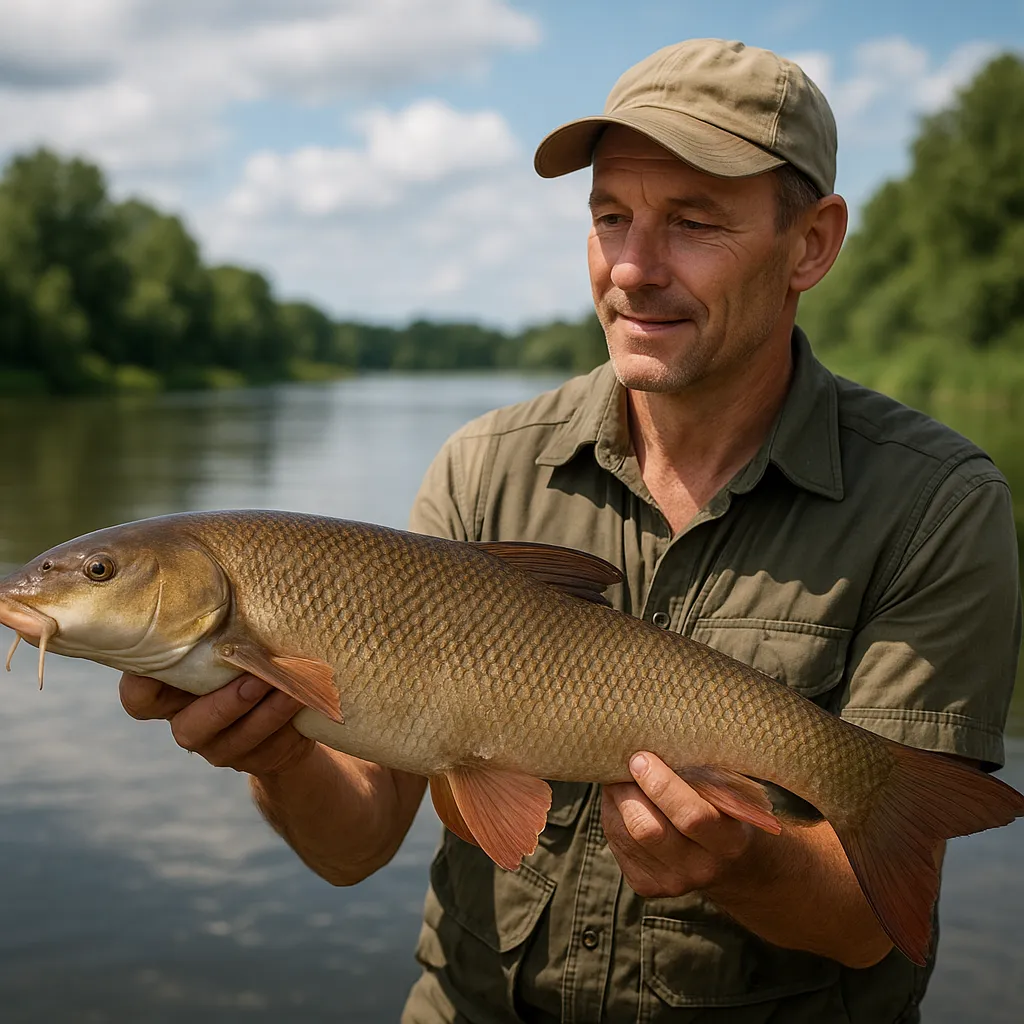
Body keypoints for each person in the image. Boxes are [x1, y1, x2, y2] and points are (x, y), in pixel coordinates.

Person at [119, 39, 1021, 1024]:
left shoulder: (935, 504)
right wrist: (280, 755)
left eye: (691, 223)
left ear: (809, 243)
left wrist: (743, 860)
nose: (632, 269)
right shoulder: (483, 467)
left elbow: (864, 925)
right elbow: (354, 846)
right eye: (609, 217)